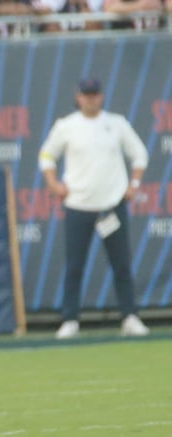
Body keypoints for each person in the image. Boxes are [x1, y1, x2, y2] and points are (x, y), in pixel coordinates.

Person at [38, 78, 150, 340]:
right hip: (79, 204)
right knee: (75, 265)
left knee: (121, 264)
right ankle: (70, 320)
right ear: (78, 97)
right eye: (86, 95)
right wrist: (54, 183)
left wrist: (133, 184)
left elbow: (140, 154)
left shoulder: (117, 123)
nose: (90, 99)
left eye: (94, 94)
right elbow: (46, 155)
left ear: (101, 96)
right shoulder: (66, 126)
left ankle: (129, 316)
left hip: (112, 204)